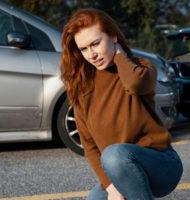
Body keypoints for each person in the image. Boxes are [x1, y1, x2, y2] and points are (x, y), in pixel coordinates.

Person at [60, 8, 183, 200]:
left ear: (113, 36)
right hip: (119, 170)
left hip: (161, 165)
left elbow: (135, 85)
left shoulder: (141, 67)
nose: (92, 54)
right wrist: (110, 186)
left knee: (113, 155)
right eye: (84, 49)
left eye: (96, 43)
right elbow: (90, 147)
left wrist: (119, 55)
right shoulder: (81, 87)